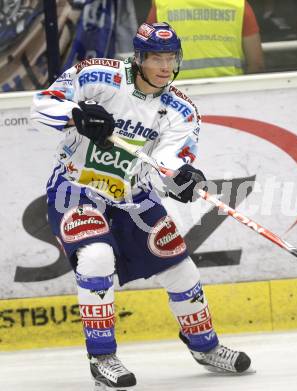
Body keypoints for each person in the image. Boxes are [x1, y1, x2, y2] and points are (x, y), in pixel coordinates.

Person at [30, 22, 252, 390]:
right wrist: (77, 114)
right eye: (156, 58)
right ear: (138, 58)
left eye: (171, 58)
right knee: (97, 256)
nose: (165, 66)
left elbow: (170, 162)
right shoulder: (98, 75)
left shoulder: (181, 109)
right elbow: (43, 102)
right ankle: (102, 358)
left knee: (181, 270)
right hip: (77, 187)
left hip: (132, 196)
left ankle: (205, 348)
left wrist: (182, 179)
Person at [146, 0, 264, 78]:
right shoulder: (238, 4)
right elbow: (256, 63)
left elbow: (146, 59)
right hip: (228, 89)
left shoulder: (163, 5)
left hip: (175, 94)